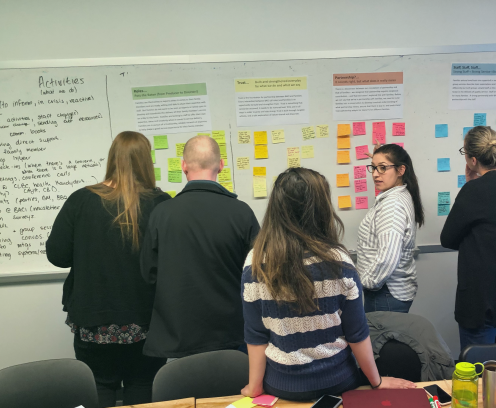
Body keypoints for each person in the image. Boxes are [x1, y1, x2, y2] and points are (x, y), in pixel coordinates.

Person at [241, 168, 417, 401]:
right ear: (322, 209)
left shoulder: (255, 261)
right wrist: (377, 381)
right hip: (338, 383)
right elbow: (356, 333)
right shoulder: (338, 261)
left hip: (282, 387)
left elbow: (256, 335)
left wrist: (254, 387)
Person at [46, 131, 170, 407]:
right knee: (142, 384)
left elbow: (57, 256)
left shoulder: (81, 200)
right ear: (146, 162)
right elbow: (172, 263)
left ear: (112, 158)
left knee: (100, 385)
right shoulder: (161, 204)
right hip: (146, 321)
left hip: (94, 320)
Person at [140, 135, 259, 359]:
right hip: (232, 334)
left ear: (183, 165)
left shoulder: (162, 213)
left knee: (185, 391)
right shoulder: (241, 213)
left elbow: (148, 274)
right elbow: (258, 274)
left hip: (178, 336)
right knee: (235, 393)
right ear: (221, 165)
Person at [440, 126, 496, 351]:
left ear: (472, 160)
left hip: (482, 298)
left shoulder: (475, 190)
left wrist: (470, 185)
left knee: (478, 371)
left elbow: (448, 238)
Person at [356, 144, 424, 313]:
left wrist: (363, 282)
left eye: (383, 168)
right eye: (373, 168)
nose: (375, 174)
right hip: (388, 293)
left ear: (401, 170)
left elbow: (388, 257)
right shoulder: (397, 194)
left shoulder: (392, 206)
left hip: (384, 294)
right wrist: (384, 160)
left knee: (380, 340)